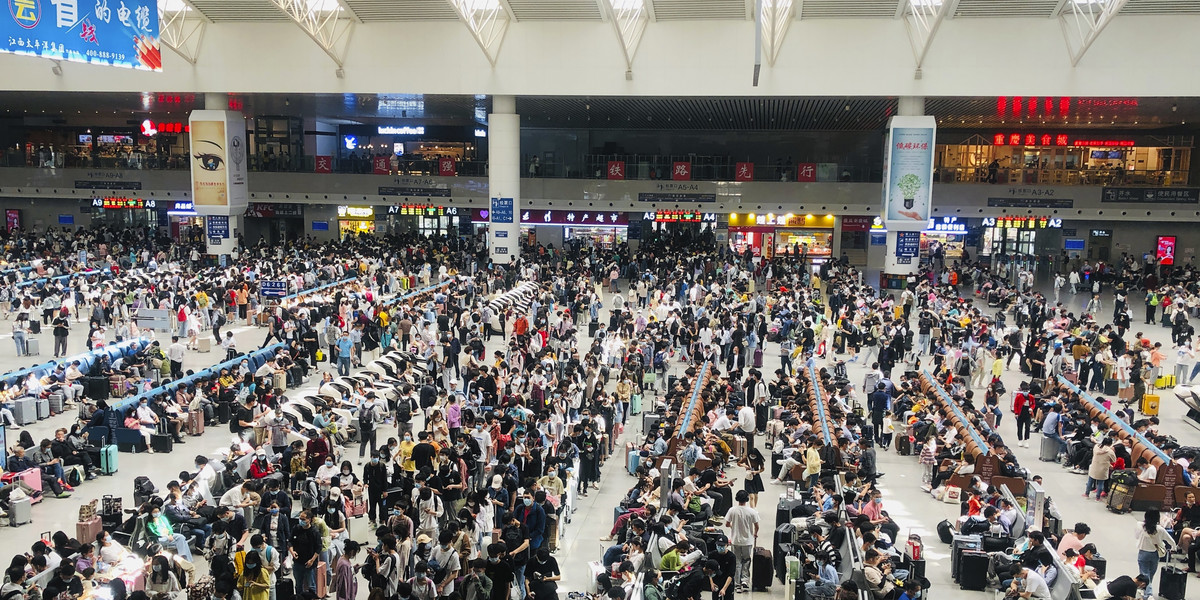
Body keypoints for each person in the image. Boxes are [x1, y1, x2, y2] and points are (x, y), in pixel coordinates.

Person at [724, 490, 760, 593]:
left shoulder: (732, 510)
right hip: (747, 541)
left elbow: (727, 524)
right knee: (747, 560)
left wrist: (733, 526)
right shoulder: (752, 511)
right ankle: (745, 581)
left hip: (735, 540)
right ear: (747, 499)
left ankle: (737, 584)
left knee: (737, 562)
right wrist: (755, 533)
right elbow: (757, 526)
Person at [1134, 510, 1175, 598]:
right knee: (1151, 574)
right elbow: (1170, 540)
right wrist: (1173, 548)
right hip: (1155, 554)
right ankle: (1146, 590)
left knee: (1145, 574)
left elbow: (1136, 536)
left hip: (1143, 553)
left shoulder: (1140, 525)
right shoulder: (1160, 529)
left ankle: (1148, 593)